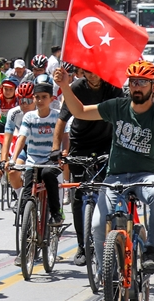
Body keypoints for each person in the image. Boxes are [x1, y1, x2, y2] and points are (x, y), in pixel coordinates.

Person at [54, 62, 154, 275]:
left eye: (142, 82)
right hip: (115, 177)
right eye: (133, 82)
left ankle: (152, 250)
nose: (136, 87)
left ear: (153, 85)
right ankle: (106, 272)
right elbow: (81, 111)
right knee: (97, 225)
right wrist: (65, 85)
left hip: (146, 176)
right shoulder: (118, 106)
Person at [51, 68, 122, 265]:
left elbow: (124, 116)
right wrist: (56, 148)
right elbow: (62, 119)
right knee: (79, 196)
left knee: (108, 192)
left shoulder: (114, 89)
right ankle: (82, 246)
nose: (92, 76)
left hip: (106, 144)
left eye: (95, 72)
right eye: (87, 73)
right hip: (80, 144)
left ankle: (110, 239)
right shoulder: (76, 87)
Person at [10, 76, 63, 242]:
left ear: (51, 99)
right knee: (26, 198)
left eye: (44, 97)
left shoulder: (57, 116)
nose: (40, 100)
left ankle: (55, 213)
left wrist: (65, 152)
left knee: (48, 174)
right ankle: (25, 245)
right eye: (37, 97)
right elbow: (22, 138)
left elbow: (66, 136)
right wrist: (13, 159)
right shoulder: (29, 117)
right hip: (33, 161)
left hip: (51, 161)